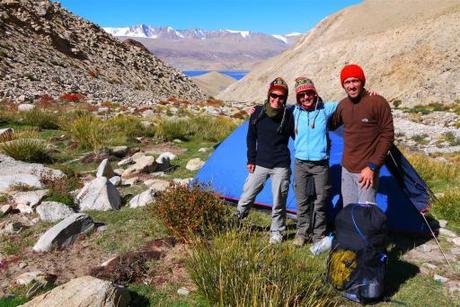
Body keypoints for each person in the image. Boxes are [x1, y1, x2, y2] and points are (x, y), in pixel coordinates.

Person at [235, 77, 294, 244]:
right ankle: (237, 222)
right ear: (269, 95)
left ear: (285, 98)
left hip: (281, 165)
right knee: (247, 195)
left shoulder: (289, 116)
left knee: (279, 201)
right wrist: (250, 159)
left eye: (281, 97)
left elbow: (298, 135)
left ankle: (277, 232)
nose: (276, 99)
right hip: (260, 162)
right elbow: (251, 137)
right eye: (273, 95)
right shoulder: (258, 113)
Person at [331, 64, 394, 207]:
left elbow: (388, 135)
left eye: (355, 81)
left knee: (365, 215)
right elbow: (331, 124)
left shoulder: (377, 102)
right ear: (343, 85)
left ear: (362, 82)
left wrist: (372, 167)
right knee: (348, 211)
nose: (351, 86)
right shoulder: (343, 105)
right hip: (346, 169)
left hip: (366, 170)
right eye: (347, 82)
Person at [291, 77, 338, 247]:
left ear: (314, 93)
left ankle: (319, 235)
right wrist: (256, 110)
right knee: (302, 199)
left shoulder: (325, 109)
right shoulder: (294, 112)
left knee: (321, 200)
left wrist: (366, 95)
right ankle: (302, 232)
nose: (305, 98)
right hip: (300, 163)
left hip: (320, 165)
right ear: (298, 98)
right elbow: (273, 109)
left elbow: (347, 103)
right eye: (301, 95)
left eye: (308, 93)